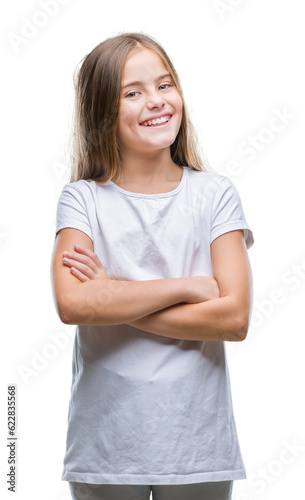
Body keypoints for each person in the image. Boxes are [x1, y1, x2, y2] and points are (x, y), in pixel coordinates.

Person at [51, 32, 254, 500]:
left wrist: (115, 298)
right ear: (102, 111)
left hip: (196, 445)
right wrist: (191, 287)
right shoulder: (82, 199)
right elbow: (73, 303)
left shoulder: (214, 194)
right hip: (106, 447)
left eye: (165, 85)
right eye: (133, 92)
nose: (156, 101)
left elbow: (234, 318)